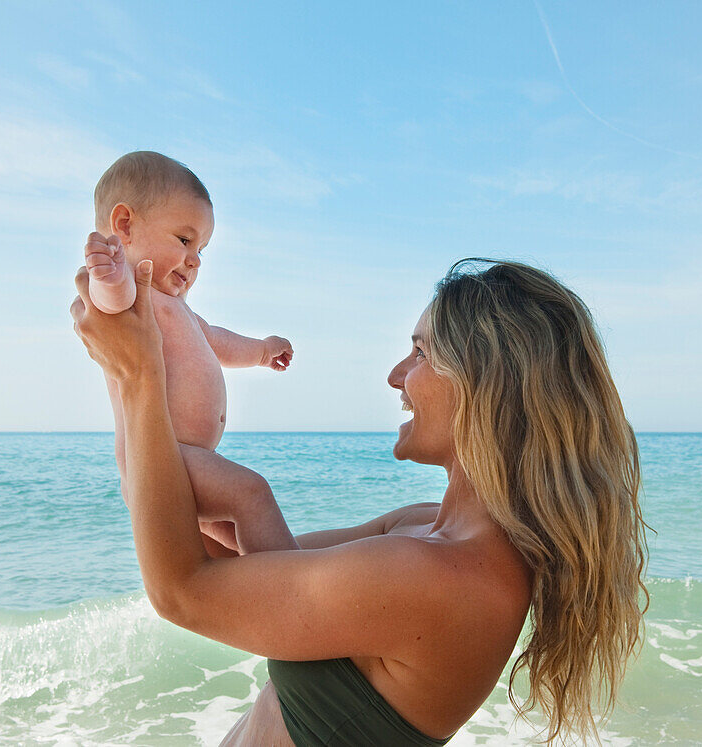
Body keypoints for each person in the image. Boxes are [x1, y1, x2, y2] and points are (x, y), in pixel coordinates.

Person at [70, 257, 650, 745]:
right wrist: (235, 488)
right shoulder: (425, 529)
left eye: (421, 353)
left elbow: (183, 591)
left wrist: (137, 378)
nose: (397, 376)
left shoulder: (443, 576)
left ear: (487, 384)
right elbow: (245, 572)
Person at [85, 151, 297, 553]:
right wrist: (107, 276)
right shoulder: (134, 291)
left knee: (234, 548)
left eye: (202, 249)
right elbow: (110, 304)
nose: (195, 260)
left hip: (192, 460)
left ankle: (257, 599)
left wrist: (262, 351)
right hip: (163, 463)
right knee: (252, 493)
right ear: (124, 226)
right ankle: (298, 586)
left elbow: (219, 341)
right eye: (184, 240)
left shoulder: (179, 311)